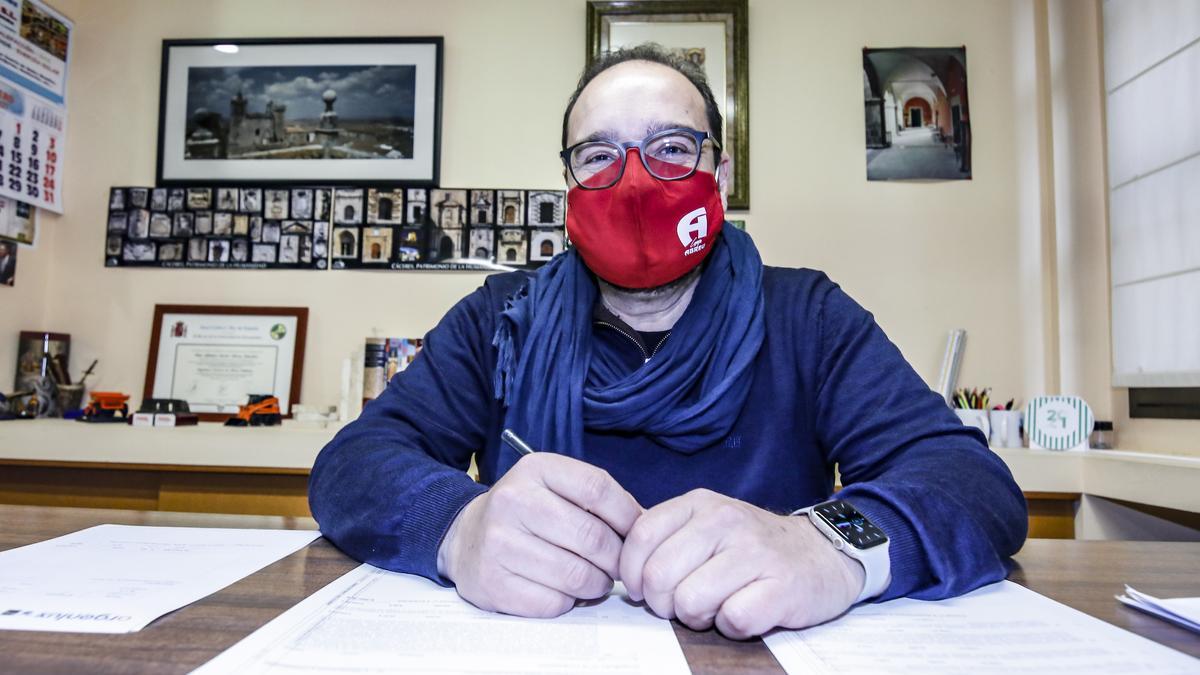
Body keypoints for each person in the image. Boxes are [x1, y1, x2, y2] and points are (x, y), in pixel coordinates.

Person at [309, 44, 1026, 639]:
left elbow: (970, 483)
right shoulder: (502, 316)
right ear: (568, 184)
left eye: (671, 148)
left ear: (720, 172)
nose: (635, 183)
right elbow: (354, 462)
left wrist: (828, 545)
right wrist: (458, 527)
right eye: (598, 156)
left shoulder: (809, 316)